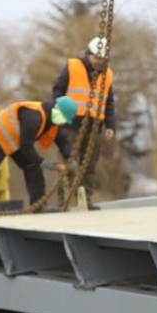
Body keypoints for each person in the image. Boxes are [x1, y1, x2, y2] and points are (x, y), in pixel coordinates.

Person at [0, 97, 78, 216]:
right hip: (0, 133)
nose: (62, 123)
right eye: (63, 119)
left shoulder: (53, 121)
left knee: (33, 167)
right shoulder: (33, 117)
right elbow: (26, 148)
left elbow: (62, 140)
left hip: (19, 140)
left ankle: (38, 206)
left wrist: (71, 158)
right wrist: (44, 163)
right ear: (56, 109)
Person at [51, 37, 116, 208]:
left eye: (102, 59)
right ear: (88, 55)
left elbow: (109, 102)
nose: (99, 62)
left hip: (95, 126)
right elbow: (58, 91)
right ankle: (63, 201)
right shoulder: (73, 66)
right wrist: (59, 114)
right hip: (71, 123)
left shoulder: (108, 75)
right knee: (67, 163)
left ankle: (85, 200)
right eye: (96, 58)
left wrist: (110, 125)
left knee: (89, 165)